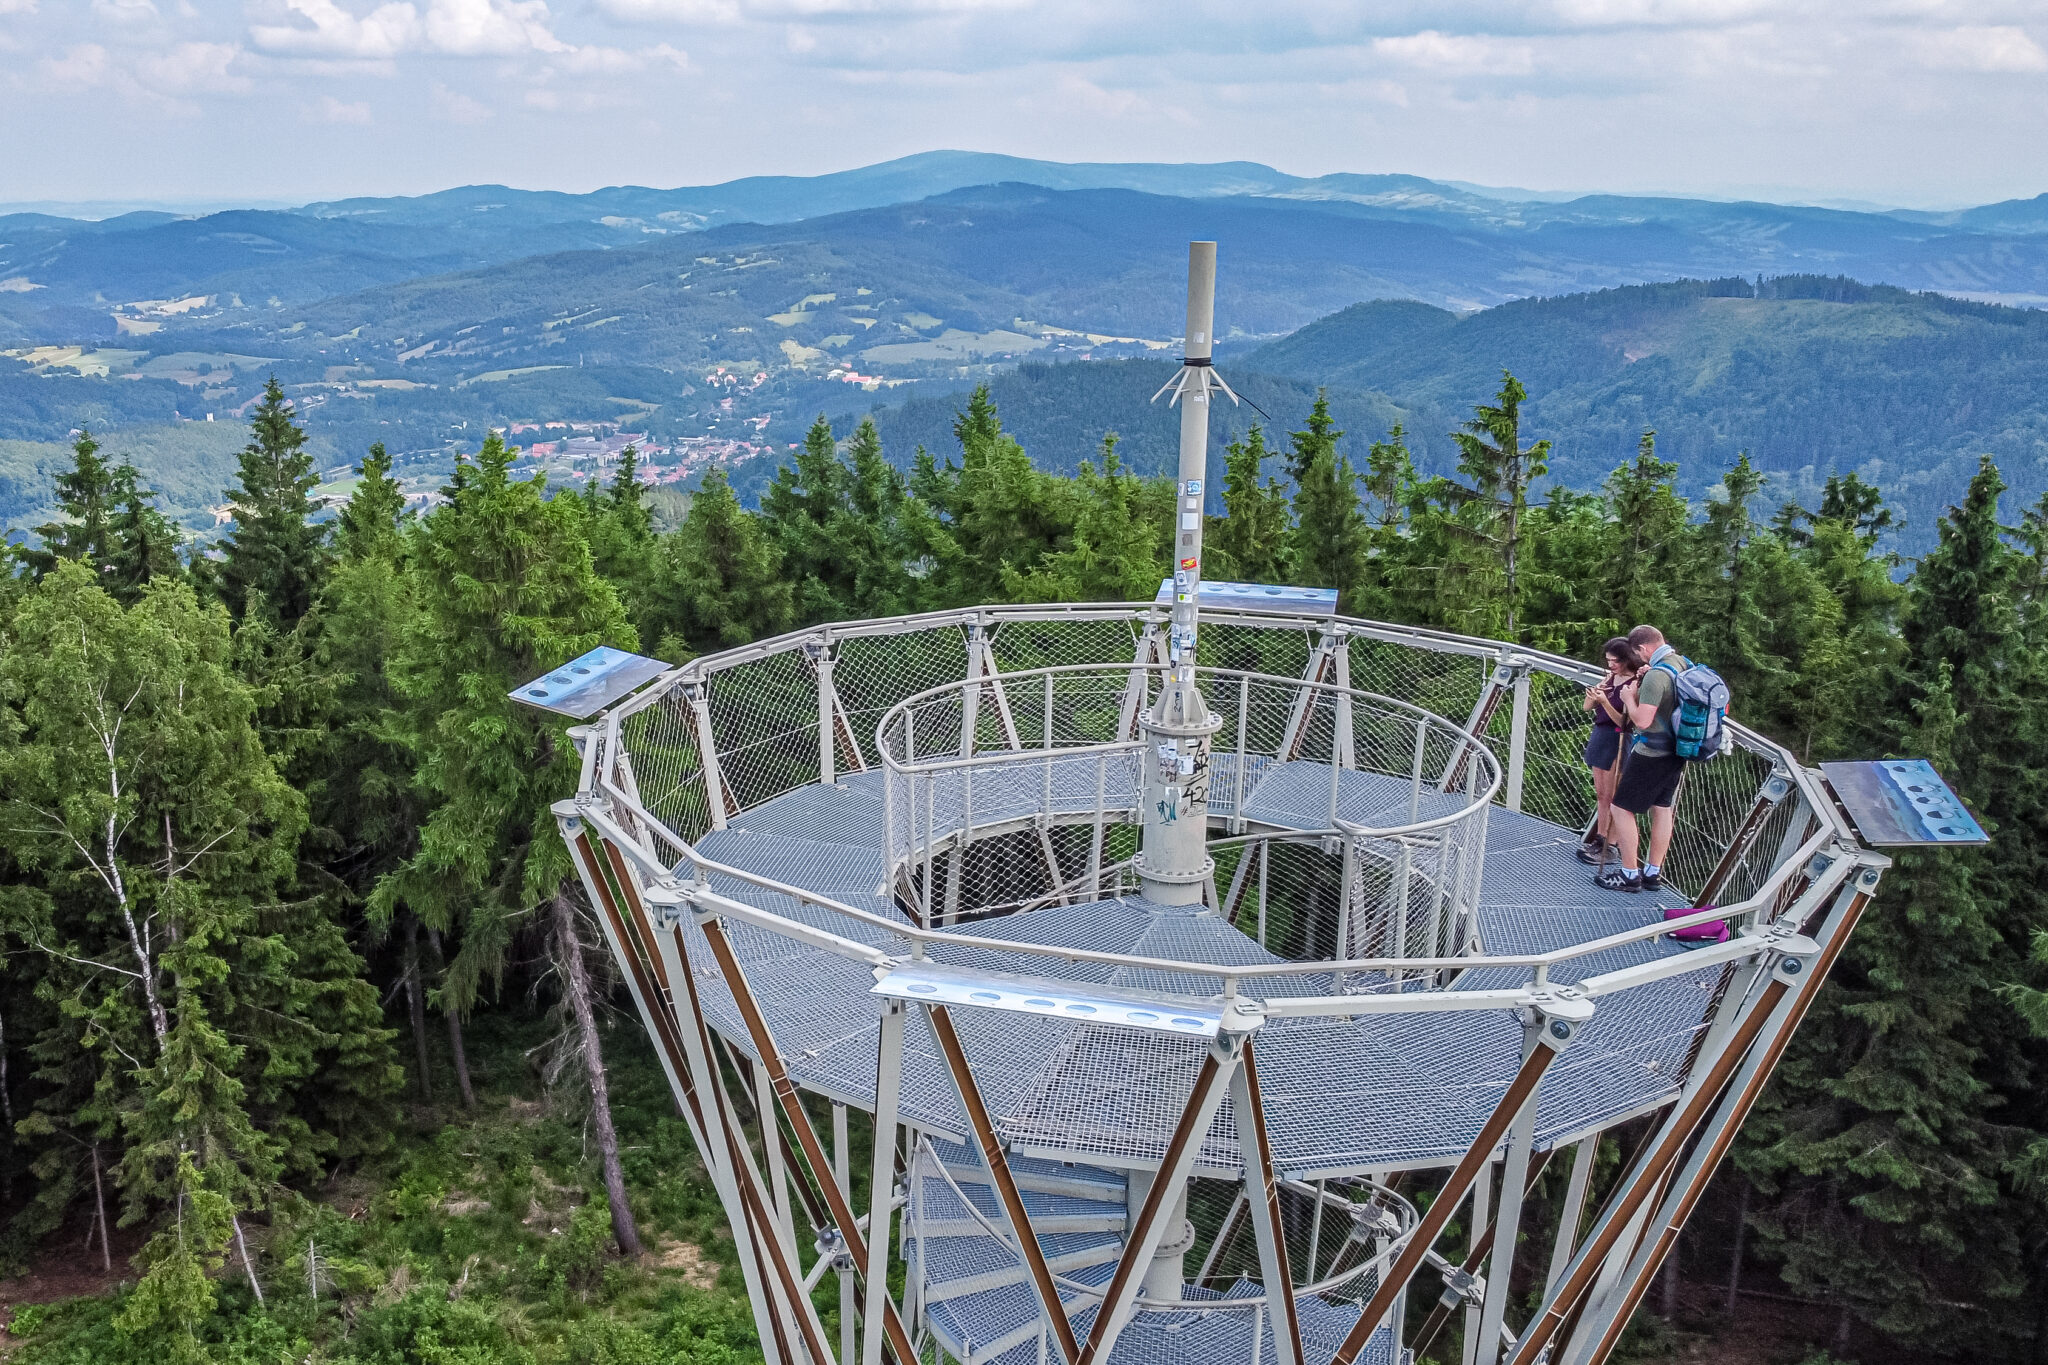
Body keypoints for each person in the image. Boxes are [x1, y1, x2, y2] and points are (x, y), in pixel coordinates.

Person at [1597, 624, 1687, 893]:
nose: (1641, 659)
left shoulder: (1656, 676)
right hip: (1676, 751)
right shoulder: (1681, 664)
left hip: (1652, 752)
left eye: (1640, 654)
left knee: (1620, 808)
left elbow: (1642, 720)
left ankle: (1629, 874)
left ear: (1642, 648)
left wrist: (1629, 697)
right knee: (1662, 809)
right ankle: (1652, 872)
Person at [1576, 638, 1639, 866]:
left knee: (1613, 796)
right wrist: (1594, 696)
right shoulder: (1611, 678)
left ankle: (1610, 846)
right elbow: (1586, 707)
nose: (1611, 665)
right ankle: (1600, 839)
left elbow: (1626, 723)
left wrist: (1605, 702)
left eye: (1615, 661)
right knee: (1602, 794)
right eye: (1608, 660)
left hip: (1618, 738)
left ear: (1626, 660)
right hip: (1601, 735)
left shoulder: (1635, 684)